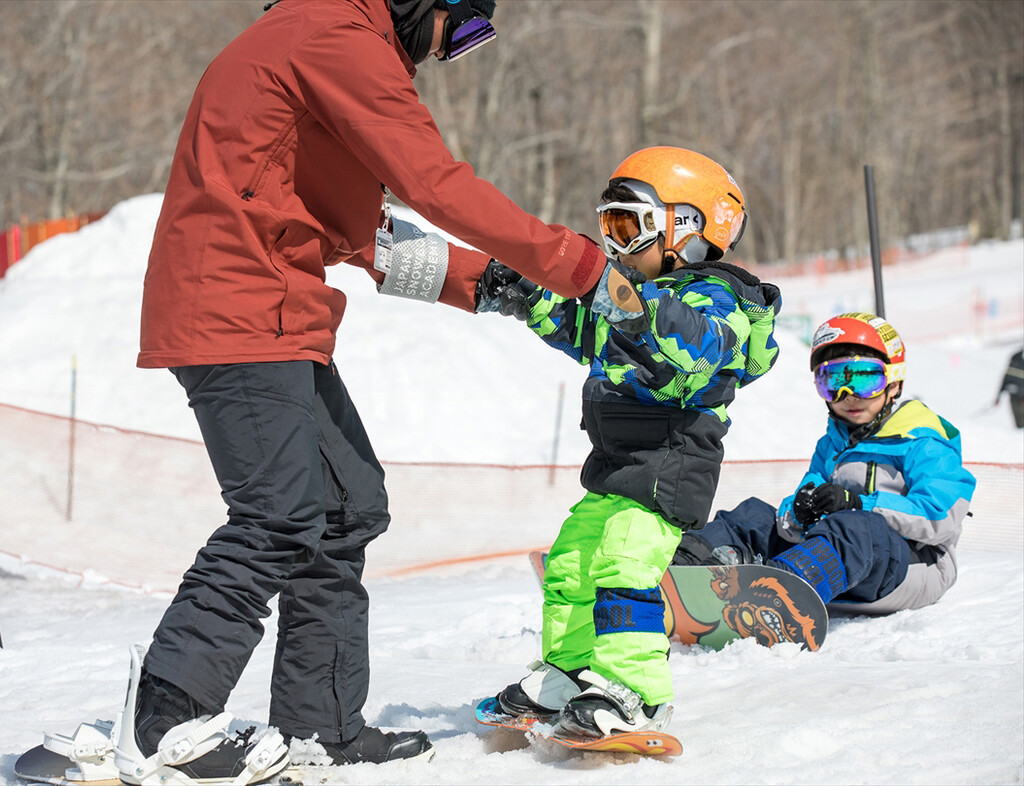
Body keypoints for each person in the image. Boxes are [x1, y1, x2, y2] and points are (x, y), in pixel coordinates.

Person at [89, 1, 610, 784]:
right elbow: (434, 181)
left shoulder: (317, 42)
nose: (446, 51)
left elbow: (363, 231)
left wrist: (494, 283)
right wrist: (579, 266)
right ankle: (165, 719)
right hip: (234, 306)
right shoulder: (333, 36)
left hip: (271, 309)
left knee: (344, 508)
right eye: (460, 27)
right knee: (276, 512)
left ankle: (319, 728)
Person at [476, 146, 782, 738]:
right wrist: (528, 295)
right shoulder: (630, 295)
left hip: (671, 462)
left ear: (689, 230)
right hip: (616, 464)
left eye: (629, 226)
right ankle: (568, 671)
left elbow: (697, 352)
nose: (616, 244)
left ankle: (638, 693)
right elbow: (580, 325)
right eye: (608, 226)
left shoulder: (717, 297)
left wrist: (618, 294)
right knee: (571, 563)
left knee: (624, 565)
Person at [677, 313, 977, 617]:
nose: (848, 396)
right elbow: (797, 509)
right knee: (753, 515)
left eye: (864, 379)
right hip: (840, 563)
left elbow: (940, 516)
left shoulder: (923, 440)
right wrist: (798, 511)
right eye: (833, 381)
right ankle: (681, 569)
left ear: (894, 383)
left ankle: (776, 596)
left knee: (858, 525)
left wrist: (861, 504)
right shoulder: (833, 443)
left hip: (913, 568)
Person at [995, 348, 1024, 428]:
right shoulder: (1010, 369)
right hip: (1014, 397)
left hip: (1021, 398)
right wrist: (998, 397)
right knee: (1018, 420)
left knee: (1021, 419)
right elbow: (1004, 383)